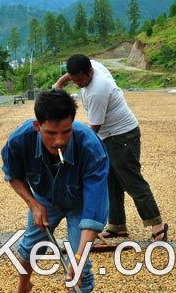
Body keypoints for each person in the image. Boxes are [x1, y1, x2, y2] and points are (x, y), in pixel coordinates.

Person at [2, 89, 109, 293]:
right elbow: (13, 176)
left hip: (80, 202)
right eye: (51, 133)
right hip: (44, 198)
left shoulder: (91, 147)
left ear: (73, 124)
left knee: (80, 272)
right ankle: (24, 285)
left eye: (66, 132)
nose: (59, 141)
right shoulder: (19, 141)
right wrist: (33, 204)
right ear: (38, 126)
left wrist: (80, 255)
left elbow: (94, 211)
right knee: (28, 249)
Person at [53, 54, 168, 243]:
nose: (78, 83)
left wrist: (76, 149)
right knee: (110, 181)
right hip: (109, 136)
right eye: (74, 80)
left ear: (90, 72)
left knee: (132, 181)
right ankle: (117, 225)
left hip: (122, 136)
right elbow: (71, 74)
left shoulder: (98, 90)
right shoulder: (91, 66)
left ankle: (157, 225)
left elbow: (93, 131)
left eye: (80, 79)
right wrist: (59, 84)